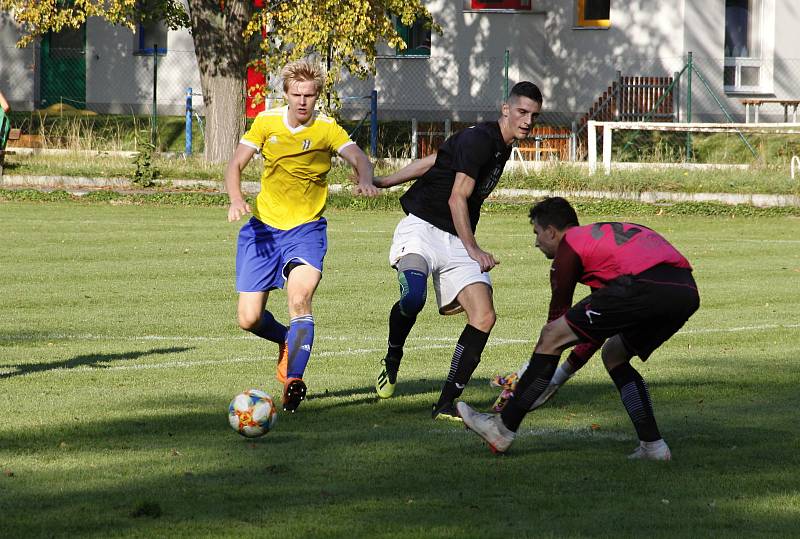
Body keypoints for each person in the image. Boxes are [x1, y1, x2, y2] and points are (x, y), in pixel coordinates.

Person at [458, 197, 700, 460]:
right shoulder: (598, 242)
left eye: (537, 233)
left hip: (642, 285)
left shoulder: (570, 245)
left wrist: (535, 376)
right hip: (684, 291)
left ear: (551, 231)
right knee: (614, 355)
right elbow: (595, 330)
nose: (536, 242)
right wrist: (558, 376)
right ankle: (653, 446)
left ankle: (502, 428)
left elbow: (556, 323)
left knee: (551, 336)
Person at [372, 81, 543, 421]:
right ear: (505, 110)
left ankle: (446, 403)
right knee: (412, 298)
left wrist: (385, 181)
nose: (527, 120)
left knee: (484, 316)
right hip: (421, 227)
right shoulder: (481, 139)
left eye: (534, 115)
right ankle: (393, 356)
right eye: (522, 112)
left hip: (455, 237)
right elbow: (456, 197)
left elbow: (436, 159)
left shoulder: (500, 145)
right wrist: (475, 249)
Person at [225, 58, 378, 413]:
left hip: (306, 230)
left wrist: (365, 178)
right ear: (286, 94)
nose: (303, 101)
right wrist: (236, 199)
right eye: (297, 94)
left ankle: (293, 380)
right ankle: (285, 340)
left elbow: (359, 157)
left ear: (317, 96)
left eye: (309, 95)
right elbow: (235, 164)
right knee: (248, 318)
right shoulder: (266, 122)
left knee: (299, 300)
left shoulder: (327, 129)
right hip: (262, 231)